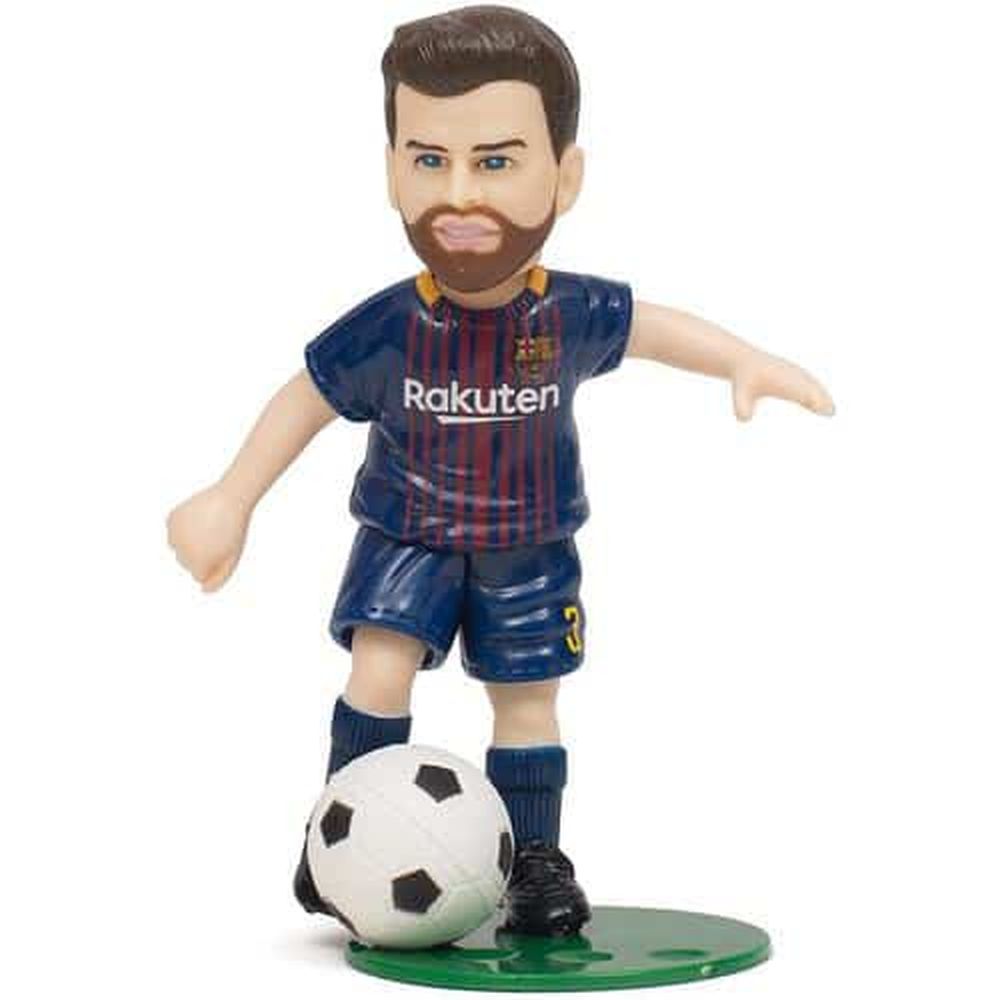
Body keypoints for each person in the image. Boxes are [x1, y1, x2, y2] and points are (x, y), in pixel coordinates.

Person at [167, 5, 834, 937]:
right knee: (379, 670)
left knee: (528, 703)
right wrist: (232, 496)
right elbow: (306, 396)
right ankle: (337, 839)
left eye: (495, 162)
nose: (460, 196)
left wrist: (743, 360)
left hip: (529, 544)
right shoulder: (391, 324)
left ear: (565, 175)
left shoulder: (567, 315)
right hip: (405, 535)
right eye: (429, 160)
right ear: (391, 170)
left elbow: (654, 328)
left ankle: (536, 862)